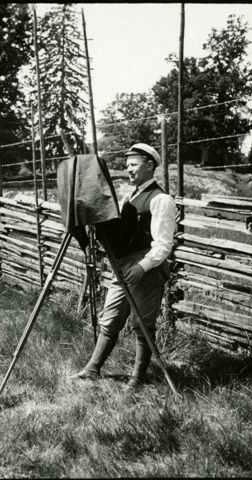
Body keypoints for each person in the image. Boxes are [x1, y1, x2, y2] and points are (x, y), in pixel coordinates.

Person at [70, 143, 176, 390]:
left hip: (146, 270)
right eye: (127, 165)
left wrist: (141, 268)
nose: (129, 170)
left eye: (134, 164)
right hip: (123, 268)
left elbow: (163, 245)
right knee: (111, 318)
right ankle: (92, 369)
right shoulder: (130, 196)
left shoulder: (161, 200)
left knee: (142, 325)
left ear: (150, 165)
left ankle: (137, 379)